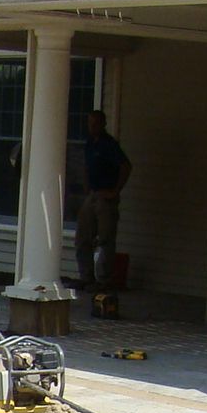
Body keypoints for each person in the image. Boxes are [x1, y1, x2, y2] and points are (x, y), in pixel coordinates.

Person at [67, 109, 132, 288]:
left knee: (105, 238)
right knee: (83, 237)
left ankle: (104, 280)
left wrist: (115, 190)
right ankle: (86, 276)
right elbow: (87, 166)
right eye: (90, 123)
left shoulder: (109, 144)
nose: (92, 127)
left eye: (95, 123)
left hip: (106, 196)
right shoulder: (90, 144)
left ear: (103, 124)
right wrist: (86, 184)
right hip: (92, 194)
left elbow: (125, 167)